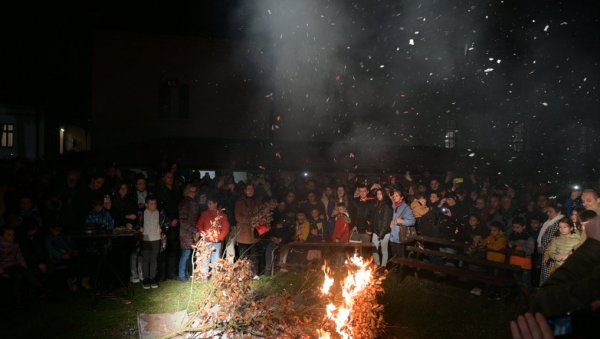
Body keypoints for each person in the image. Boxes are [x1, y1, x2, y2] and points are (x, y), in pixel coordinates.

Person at [532, 215, 600, 317]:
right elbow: (550, 251)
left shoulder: (578, 238)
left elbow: (546, 299)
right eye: (560, 227)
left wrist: (592, 244)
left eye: (565, 227)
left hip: (573, 274)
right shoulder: (556, 239)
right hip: (559, 269)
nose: (562, 229)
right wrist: (555, 256)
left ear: (571, 228)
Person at [155, 171, 182, 281]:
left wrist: (177, 219)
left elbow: (179, 207)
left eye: (171, 177)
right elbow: (160, 209)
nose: (170, 179)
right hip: (164, 224)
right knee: (163, 250)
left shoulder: (176, 192)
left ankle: (171, 273)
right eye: (168, 177)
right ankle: (162, 274)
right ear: (164, 178)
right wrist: (168, 221)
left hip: (175, 224)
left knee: (173, 249)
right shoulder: (160, 191)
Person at [45, 224, 89, 291]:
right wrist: (61, 256)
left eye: (60, 230)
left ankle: (84, 281)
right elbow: (51, 250)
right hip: (58, 258)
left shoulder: (63, 237)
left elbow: (70, 246)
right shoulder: (49, 239)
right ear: (51, 230)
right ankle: (72, 281)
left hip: (69, 256)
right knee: (73, 263)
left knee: (82, 259)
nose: (59, 232)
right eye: (57, 230)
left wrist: (74, 251)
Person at [196, 196, 230, 279]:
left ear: (216, 204)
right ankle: (204, 277)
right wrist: (202, 233)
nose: (209, 205)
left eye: (210, 204)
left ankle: (215, 278)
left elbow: (226, 228)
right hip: (206, 241)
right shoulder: (205, 214)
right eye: (208, 204)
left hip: (216, 242)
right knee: (205, 260)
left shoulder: (222, 215)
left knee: (215, 259)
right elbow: (199, 225)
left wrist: (219, 238)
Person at [0, 227, 37, 299]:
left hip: (14, 265)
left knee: (26, 271)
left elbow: (19, 256)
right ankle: (16, 292)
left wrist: (24, 265)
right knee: (19, 273)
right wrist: (2, 273)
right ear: (2, 236)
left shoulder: (15, 245)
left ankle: (36, 287)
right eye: (9, 235)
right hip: (4, 267)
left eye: (13, 234)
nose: (12, 237)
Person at [234, 183, 261, 274]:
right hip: (243, 234)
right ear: (245, 190)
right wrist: (252, 220)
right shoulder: (240, 202)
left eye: (252, 189)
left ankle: (254, 273)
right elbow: (238, 217)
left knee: (254, 255)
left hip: (254, 233)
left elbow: (260, 214)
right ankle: (243, 273)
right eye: (248, 189)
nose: (250, 191)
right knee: (243, 255)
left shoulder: (257, 201)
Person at [177, 184, 200, 282]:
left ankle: (186, 273)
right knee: (185, 254)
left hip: (192, 232)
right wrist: (194, 230)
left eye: (195, 191)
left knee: (189, 254)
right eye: (191, 191)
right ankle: (182, 275)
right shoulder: (184, 203)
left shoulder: (194, 202)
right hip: (186, 233)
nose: (193, 193)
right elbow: (183, 221)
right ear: (187, 191)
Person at [538, 205, 564, 286]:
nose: (548, 213)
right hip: (547, 253)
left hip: (551, 255)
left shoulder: (557, 224)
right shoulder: (550, 222)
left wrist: (543, 249)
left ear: (558, 212)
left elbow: (550, 240)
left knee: (548, 278)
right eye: (547, 211)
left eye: (551, 211)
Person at [141, 196, 162, 289]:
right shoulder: (142, 213)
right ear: (146, 204)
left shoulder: (159, 213)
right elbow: (138, 223)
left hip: (156, 238)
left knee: (154, 259)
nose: (154, 205)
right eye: (151, 203)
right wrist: (139, 228)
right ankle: (146, 279)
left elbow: (163, 223)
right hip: (146, 238)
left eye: (155, 203)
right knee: (146, 260)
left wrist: (161, 229)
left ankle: (152, 278)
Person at [508, 217, 535, 288]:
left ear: (524, 227)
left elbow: (530, 250)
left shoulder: (528, 236)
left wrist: (518, 248)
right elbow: (509, 246)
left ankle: (527, 297)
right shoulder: (511, 235)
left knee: (525, 283)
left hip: (524, 263)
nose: (515, 229)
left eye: (518, 227)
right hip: (514, 262)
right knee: (517, 283)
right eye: (514, 227)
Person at [389, 189, 416, 259]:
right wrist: (391, 222)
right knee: (394, 257)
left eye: (397, 196)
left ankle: (402, 269)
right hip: (392, 236)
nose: (394, 197)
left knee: (401, 258)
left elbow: (413, 221)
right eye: (394, 196)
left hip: (400, 237)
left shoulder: (406, 208)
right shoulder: (394, 206)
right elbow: (393, 218)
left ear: (402, 197)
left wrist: (402, 221)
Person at [372, 189, 392, 267]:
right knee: (374, 249)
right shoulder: (377, 204)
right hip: (376, 231)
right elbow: (375, 219)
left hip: (385, 232)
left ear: (384, 195)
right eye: (377, 194)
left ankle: (383, 267)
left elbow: (385, 221)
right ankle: (377, 264)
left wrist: (381, 234)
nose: (379, 195)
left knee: (384, 250)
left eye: (380, 194)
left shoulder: (386, 206)